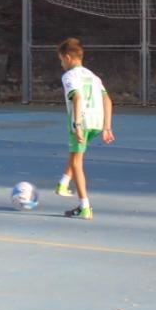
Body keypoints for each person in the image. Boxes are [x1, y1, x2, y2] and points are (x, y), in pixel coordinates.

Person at [54, 38, 115, 220]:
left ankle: (84, 206)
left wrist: (78, 125)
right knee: (77, 155)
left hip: (82, 120)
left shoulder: (69, 76)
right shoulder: (93, 76)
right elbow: (108, 100)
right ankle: (63, 184)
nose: (61, 64)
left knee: (77, 163)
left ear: (67, 58)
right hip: (97, 122)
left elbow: (78, 98)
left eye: (61, 60)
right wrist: (107, 127)